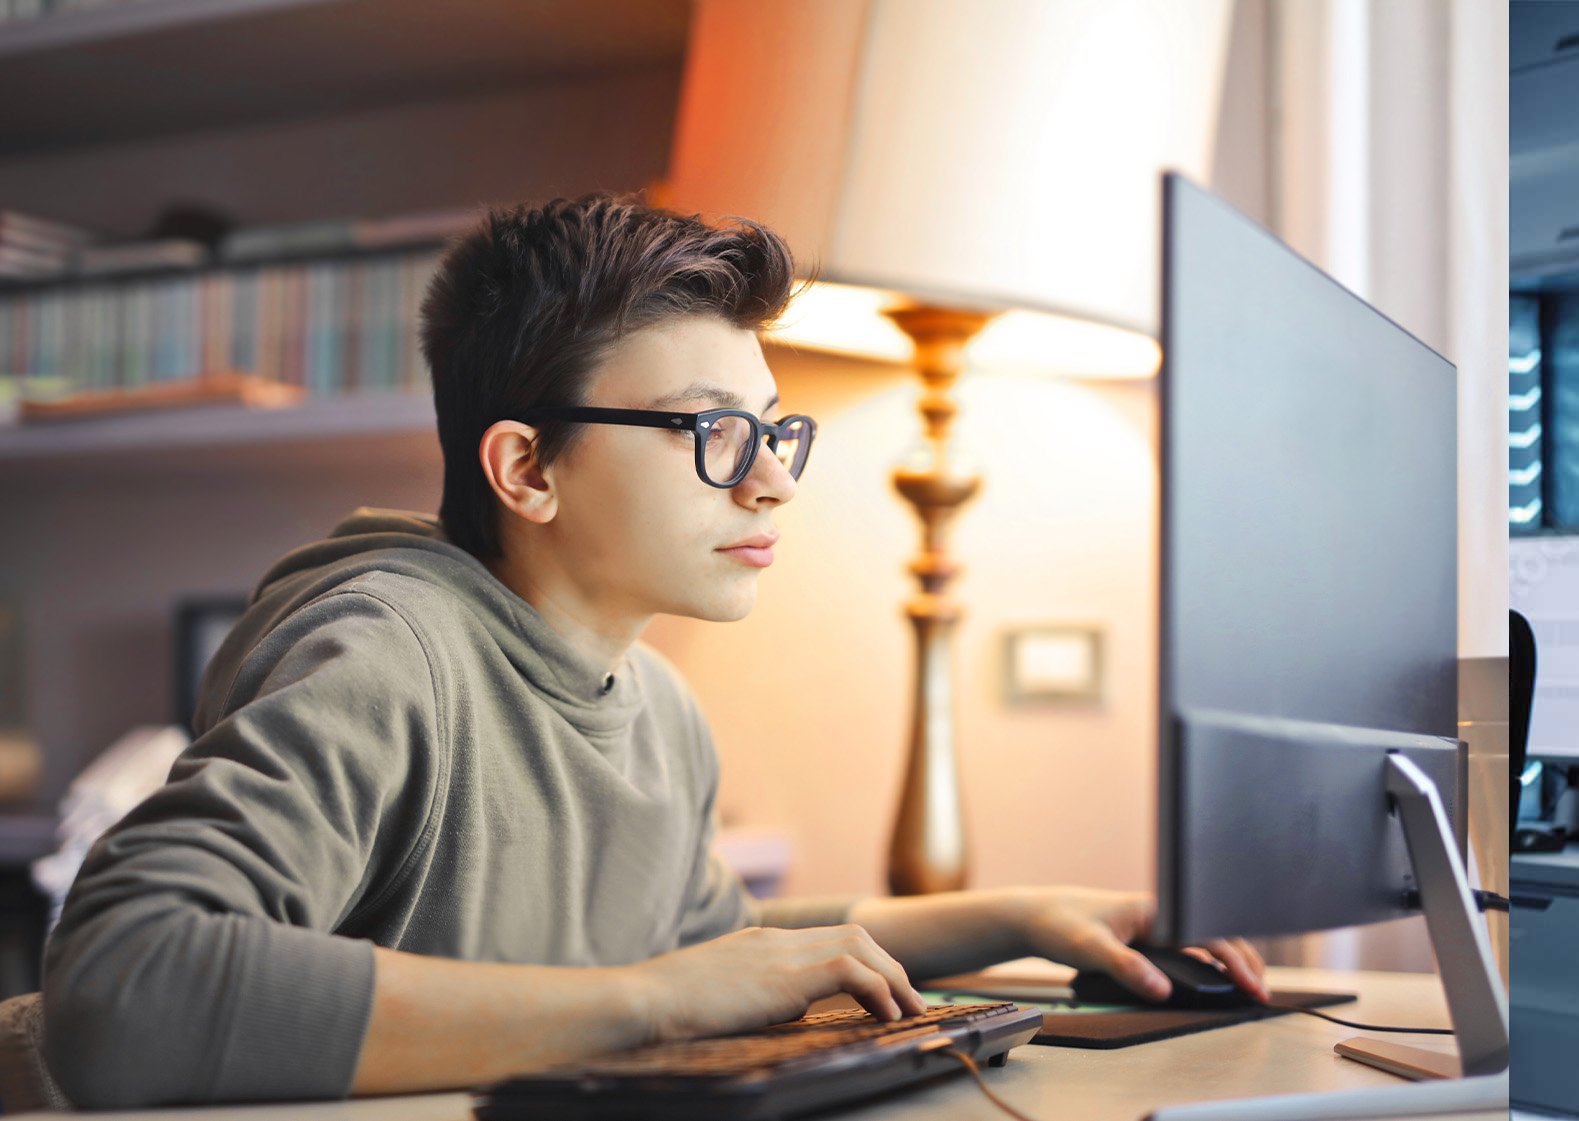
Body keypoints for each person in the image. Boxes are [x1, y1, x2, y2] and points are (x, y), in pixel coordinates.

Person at [42, 197, 1266, 1108]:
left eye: (776, 429)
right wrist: (655, 999)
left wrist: (1016, 917)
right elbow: (126, 981)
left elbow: (728, 950)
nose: (776, 479)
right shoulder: (388, 652)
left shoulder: (657, 703)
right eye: (718, 434)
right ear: (527, 468)